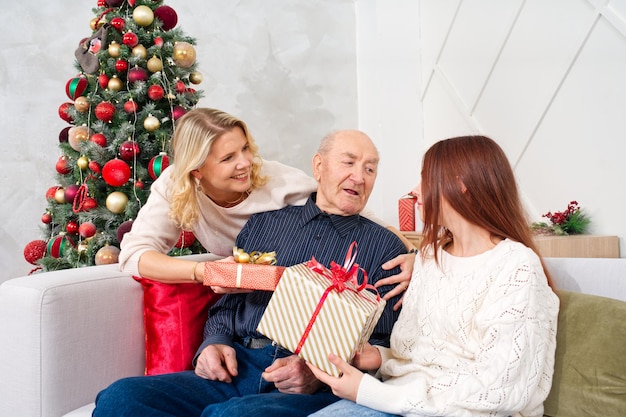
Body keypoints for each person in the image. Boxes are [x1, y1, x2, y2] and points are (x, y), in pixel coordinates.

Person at [93, 130, 409, 417]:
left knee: (229, 416)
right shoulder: (264, 224)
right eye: (349, 162)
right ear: (319, 166)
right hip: (241, 364)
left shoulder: (386, 248)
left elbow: (383, 341)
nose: (359, 176)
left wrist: (315, 373)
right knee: (120, 398)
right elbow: (227, 304)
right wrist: (214, 344)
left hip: (314, 383)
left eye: (370, 168)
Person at [307, 135, 560, 417]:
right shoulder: (429, 257)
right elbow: (421, 357)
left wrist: (371, 392)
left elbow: (499, 387)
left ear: (461, 184)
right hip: (399, 402)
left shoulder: (517, 266)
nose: (415, 191)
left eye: (426, 178)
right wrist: (377, 357)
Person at [119, 107, 414, 303]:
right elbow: (134, 255)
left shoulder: (277, 181)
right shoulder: (177, 184)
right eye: (228, 158)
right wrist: (203, 272)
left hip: (283, 292)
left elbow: (351, 207)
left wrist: (412, 254)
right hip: (240, 296)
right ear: (197, 170)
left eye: (245, 148)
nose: (245, 163)